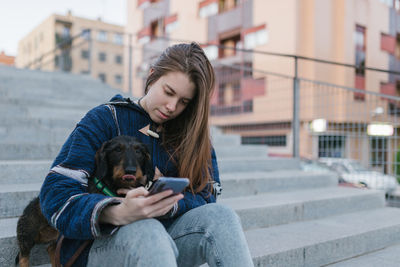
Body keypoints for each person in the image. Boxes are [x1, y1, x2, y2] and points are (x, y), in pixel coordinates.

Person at [39, 42, 254, 267]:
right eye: (168, 92)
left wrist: (169, 204)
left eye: (183, 102)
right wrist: (116, 212)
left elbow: (208, 196)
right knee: (148, 230)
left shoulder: (191, 135)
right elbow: (55, 194)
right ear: (151, 76)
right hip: (100, 245)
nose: (172, 107)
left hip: (167, 243)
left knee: (222, 217)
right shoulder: (105, 119)